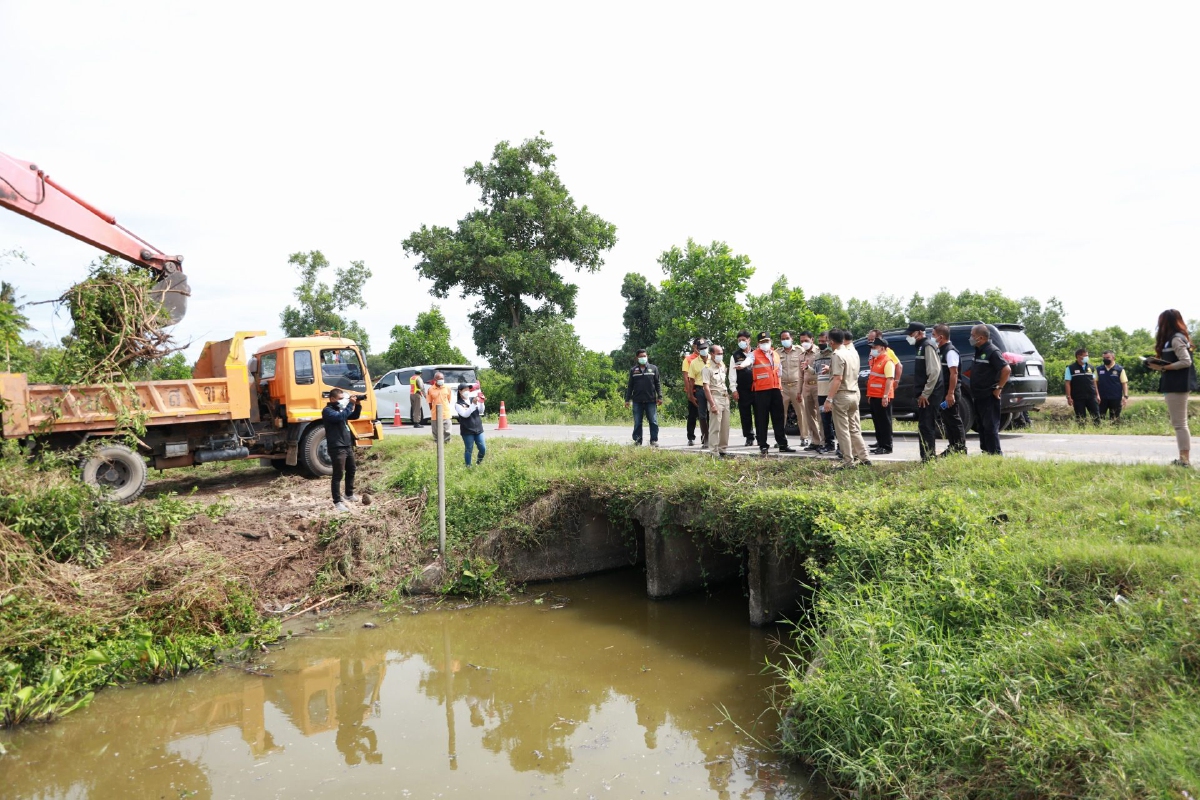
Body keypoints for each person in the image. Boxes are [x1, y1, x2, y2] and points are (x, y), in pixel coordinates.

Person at [1147, 309, 1196, 467]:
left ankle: (1184, 460)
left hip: (1177, 385)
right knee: (1179, 424)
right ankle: (1183, 459)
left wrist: (1164, 367)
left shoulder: (1175, 339)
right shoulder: (1175, 339)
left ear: (1166, 322)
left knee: (1180, 424)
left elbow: (1186, 361)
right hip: (1174, 384)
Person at [823, 329, 870, 466]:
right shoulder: (852, 352)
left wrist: (829, 399)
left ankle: (848, 461)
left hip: (842, 395)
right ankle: (864, 457)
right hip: (854, 393)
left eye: (828, 340)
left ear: (831, 341)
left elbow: (838, 379)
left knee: (842, 431)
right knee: (854, 429)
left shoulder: (837, 355)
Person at [969, 324, 1011, 456]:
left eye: (972, 335)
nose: (970, 338)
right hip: (978, 395)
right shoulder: (978, 350)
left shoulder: (992, 351)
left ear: (981, 338)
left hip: (989, 395)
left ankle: (995, 453)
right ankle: (986, 452)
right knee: (981, 425)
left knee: (990, 425)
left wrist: (999, 388)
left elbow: (1006, 369)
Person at [748, 332, 794, 454]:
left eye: (767, 341)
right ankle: (763, 445)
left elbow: (779, 372)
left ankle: (782, 444)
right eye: (762, 342)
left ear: (770, 342)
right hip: (761, 391)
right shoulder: (754, 354)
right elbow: (748, 361)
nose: (765, 344)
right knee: (762, 419)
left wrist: (781, 388)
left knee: (779, 418)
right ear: (758, 344)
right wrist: (742, 365)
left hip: (775, 389)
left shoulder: (776, 354)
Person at [322, 388, 362, 511]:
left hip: (346, 445)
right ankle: (337, 501)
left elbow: (354, 416)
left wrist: (357, 405)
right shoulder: (328, 411)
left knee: (351, 469)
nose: (343, 401)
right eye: (340, 399)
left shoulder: (341, 410)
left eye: (344, 398)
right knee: (338, 474)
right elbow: (339, 417)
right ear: (332, 399)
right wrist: (350, 404)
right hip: (337, 447)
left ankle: (349, 494)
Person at [907, 322, 942, 462]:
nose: (909, 336)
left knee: (927, 426)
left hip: (929, 395)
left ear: (920, 332)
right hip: (925, 394)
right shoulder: (921, 346)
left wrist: (925, 393)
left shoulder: (927, 345)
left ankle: (929, 458)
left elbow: (934, 372)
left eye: (911, 333)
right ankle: (926, 457)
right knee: (924, 426)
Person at [933, 323, 967, 455]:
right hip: (943, 392)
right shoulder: (940, 350)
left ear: (941, 337)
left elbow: (954, 373)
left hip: (950, 392)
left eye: (934, 335)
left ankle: (960, 448)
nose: (932, 337)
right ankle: (952, 446)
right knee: (947, 421)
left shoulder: (950, 351)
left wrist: (950, 393)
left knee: (954, 420)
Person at [624, 349, 662, 446]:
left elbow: (657, 383)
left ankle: (654, 440)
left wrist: (660, 396)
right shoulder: (633, 370)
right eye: (641, 356)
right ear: (637, 358)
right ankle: (637, 441)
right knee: (637, 422)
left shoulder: (653, 368)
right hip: (637, 401)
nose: (643, 358)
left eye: (644, 356)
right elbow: (630, 386)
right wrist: (627, 399)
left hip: (651, 400)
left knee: (653, 421)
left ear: (647, 356)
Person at [865, 337, 896, 455]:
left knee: (884, 422)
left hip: (883, 396)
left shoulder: (887, 361)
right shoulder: (876, 360)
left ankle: (887, 446)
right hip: (874, 395)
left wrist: (885, 396)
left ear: (882, 348)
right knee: (878, 422)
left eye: (874, 347)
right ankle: (880, 444)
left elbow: (889, 379)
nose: (872, 350)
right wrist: (870, 395)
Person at [777, 330, 805, 446]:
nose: (785, 340)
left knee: (801, 412)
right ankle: (781, 439)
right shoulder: (777, 352)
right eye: (783, 339)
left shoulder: (800, 350)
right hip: (783, 387)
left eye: (787, 338)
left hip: (796, 386)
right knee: (780, 414)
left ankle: (804, 437)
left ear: (792, 338)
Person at [704, 344, 732, 456]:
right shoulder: (707, 368)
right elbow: (706, 388)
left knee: (725, 426)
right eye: (718, 353)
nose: (721, 355)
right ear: (711, 354)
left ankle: (722, 449)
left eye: (722, 353)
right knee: (715, 427)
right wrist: (712, 404)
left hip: (724, 397)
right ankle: (714, 452)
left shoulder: (722, 365)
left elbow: (723, 382)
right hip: (715, 397)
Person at [730, 330, 756, 447]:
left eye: (743, 340)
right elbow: (732, 374)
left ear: (749, 340)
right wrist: (734, 390)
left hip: (757, 388)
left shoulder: (757, 352)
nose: (741, 342)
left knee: (760, 413)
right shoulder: (735, 356)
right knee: (745, 414)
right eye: (739, 340)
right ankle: (749, 437)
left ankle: (760, 436)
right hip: (743, 389)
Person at [812, 331, 837, 454]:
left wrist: (830, 369)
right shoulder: (817, 356)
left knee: (835, 420)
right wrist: (807, 368)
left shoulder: (834, 354)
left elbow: (838, 372)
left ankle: (842, 446)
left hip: (831, 392)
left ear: (829, 341)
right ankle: (829, 444)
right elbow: (816, 372)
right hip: (821, 392)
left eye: (824, 341)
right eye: (820, 341)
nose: (821, 343)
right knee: (825, 420)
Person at [798, 331, 822, 450]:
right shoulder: (801, 355)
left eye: (806, 340)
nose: (804, 343)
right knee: (809, 416)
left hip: (818, 386)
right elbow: (800, 375)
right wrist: (799, 391)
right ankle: (815, 441)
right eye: (802, 341)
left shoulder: (819, 352)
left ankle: (824, 442)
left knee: (821, 415)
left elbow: (819, 371)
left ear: (812, 339)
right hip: (806, 387)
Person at [1064, 348, 1101, 425]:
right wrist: (1069, 397)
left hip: (1091, 396)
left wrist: (1097, 394)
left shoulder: (1091, 367)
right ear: (1078, 356)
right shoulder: (1070, 368)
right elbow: (1067, 383)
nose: (1087, 357)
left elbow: (1094, 382)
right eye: (1085, 356)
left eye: (1087, 355)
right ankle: (1081, 431)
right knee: (1080, 418)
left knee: (1096, 416)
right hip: (1078, 397)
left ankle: (1098, 430)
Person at [687, 338, 712, 448]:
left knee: (714, 414)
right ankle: (706, 438)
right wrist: (691, 395)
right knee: (702, 415)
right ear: (697, 349)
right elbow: (691, 380)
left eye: (705, 348)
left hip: (713, 389)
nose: (704, 350)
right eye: (701, 348)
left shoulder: (714, 359)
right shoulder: (693, 363)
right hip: (700, 390)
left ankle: (714, 437)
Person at [455, 383, 487, 466]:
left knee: (483, 448)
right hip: (467, 430)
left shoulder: (473, 399)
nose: (467, 391)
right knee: (469, 449)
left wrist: (481, 402)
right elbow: (465, 414)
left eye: (468, 389)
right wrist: (473, 404)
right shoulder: (458, 404)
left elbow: (481, 411)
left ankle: (478, 463)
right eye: (465, 390)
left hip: (478, 428)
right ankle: (468, 466)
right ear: (460, 391)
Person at [682, 339, 705, 446]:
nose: (700, 348)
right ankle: (691, 437)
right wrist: (690, 394)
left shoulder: (708, 358)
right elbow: (686, 378)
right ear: (694, 346)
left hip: (705, 390)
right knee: (692, 415)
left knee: (705, 416)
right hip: (694, 390)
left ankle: (705, 436)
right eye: (698, 346)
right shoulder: (688, 359)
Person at [1096, 350, 1128, 421]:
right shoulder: (1099, 369)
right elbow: (1095, 383)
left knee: (1115, 419)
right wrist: (1096, 394)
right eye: (1104, 358)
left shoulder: (1120, 369)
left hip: (1115, 398)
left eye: (1108, 357)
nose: (1105, 359)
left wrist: (1125, 396)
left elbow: (1124, 383)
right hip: (1102, 398)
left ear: (1113, 357)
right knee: (1100, 418)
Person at [426, 371, 453, 442]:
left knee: (447, 430)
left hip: (445, 413)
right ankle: (436, 442)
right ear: (435, 379)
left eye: (442, 378)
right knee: (435, 431)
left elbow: (449, 399)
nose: (441, 380)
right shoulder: (430, 389)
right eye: (440, 379)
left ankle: (447, 442)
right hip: (435, 413)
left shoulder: (447, 388)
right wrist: (432, 410)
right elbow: (429, 402)